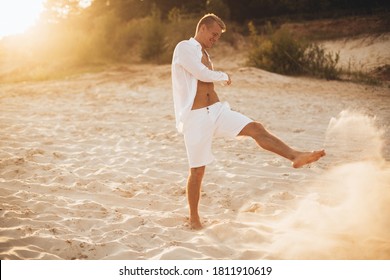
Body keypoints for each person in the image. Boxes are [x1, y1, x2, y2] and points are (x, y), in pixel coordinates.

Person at [171, 13, 325, 230]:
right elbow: (201, 74)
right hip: (195, 117)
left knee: (255, 128)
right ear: (202, 28)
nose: (215, 39)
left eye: (218, 37)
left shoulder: (205, 53)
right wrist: (224, 76)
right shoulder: (184, 48)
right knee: (197, 171)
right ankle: (194, 218)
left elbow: (205, 77)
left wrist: (219, 77)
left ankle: (295, 156)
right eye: (213, 35)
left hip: (216, 111)